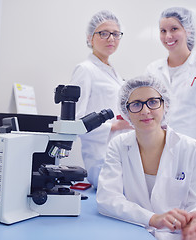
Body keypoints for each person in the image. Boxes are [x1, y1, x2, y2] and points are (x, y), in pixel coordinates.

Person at [96, 75, 196, 240]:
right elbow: (107, 198)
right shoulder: (119, 146)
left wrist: (194, 220)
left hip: (180, 236)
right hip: (136, 232)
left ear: (164, 105)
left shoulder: (192, 150)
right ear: (126, 111)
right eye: (136, 104)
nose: (145, 111)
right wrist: (153, 219)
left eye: (152, 101)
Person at [145, 7, 196, 164]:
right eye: (163, 30)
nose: (168, 36)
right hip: (157, 152)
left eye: (174, 29)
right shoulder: (153, 70)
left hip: (194, 153)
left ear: (188, 30)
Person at [70, 10, 132, 188]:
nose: (111, 38)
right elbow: (75, 121)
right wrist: (113, 126)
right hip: (100, 157)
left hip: (119, 151)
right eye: (103, 33)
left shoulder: (111, 71)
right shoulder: (85, 69)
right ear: (90, 38)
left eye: (115, 34)